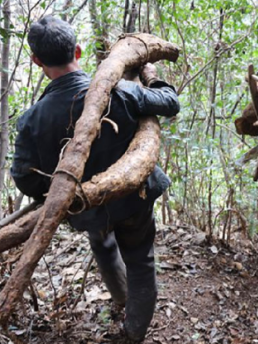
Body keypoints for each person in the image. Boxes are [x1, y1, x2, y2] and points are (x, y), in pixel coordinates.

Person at [10, 16, 180, 342]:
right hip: (134, 201)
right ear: (78, 50)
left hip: (85, 210)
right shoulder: (123, 92)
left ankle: (121, 300)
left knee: (102, 244)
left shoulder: (32, 120)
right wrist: (153, 79)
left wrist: (60, 190)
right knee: (141, 262)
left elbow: (23, 177)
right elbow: (171, 103)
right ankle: (133, 332)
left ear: (36, 61)